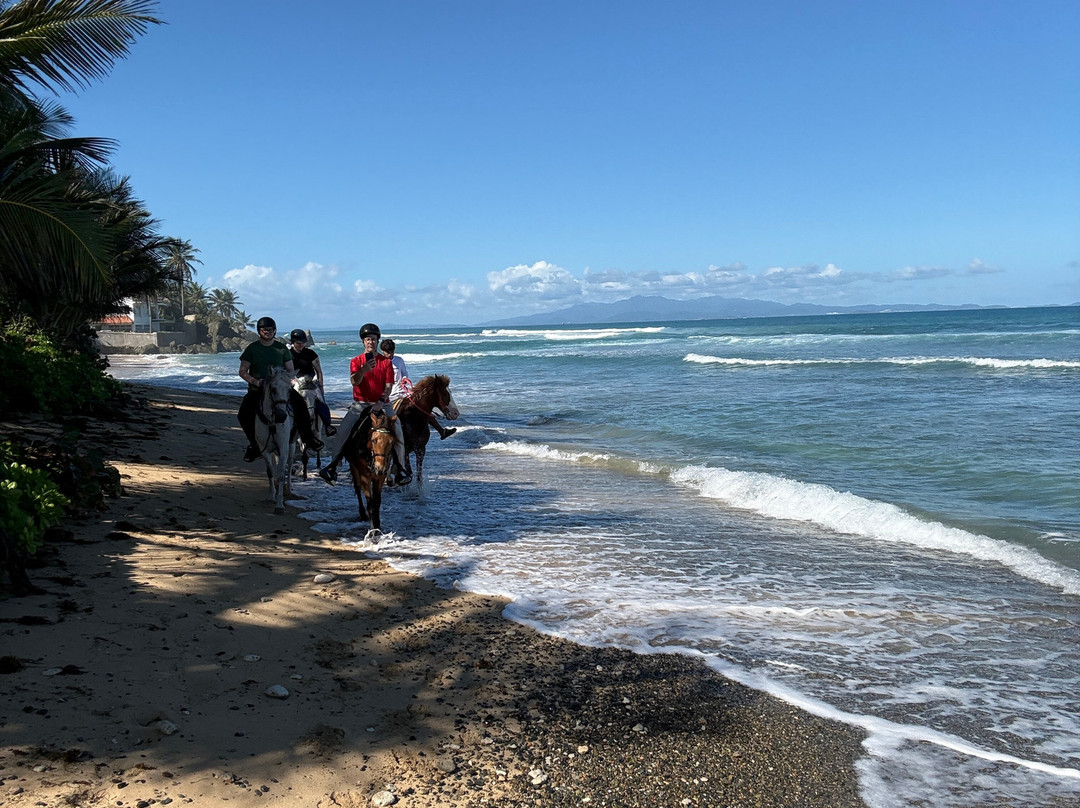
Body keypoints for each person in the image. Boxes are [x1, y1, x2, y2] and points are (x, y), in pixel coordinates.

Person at [318, 323, 410, 486]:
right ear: (363, 342)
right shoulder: (356, 361)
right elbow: (354, 382)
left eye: (374, 339)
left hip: (383, 403)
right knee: (343, 432)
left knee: (398, 431)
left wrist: (381, 401)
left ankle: (401, 469)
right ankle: (334, 467)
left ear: (377, 341)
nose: (371, 342)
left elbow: (388, 386)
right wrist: (364, 370)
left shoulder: (386, 363)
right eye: (368, 339)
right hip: (360, 403)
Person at [237, 317, 324, 462]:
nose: (267, 332)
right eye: (264, 330)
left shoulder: (281, 348)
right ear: (259, 331)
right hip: (258, 389)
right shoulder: (252, 349)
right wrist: (255, 381)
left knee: (301, 405)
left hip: (279, 389)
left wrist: (289, 381)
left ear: (274, 330)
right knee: (243, 414)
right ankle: (254, 445)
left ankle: (309, 439)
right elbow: (242, 371)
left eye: (270, 330)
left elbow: (290, 370)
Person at [381, 338, 456, 440]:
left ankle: (441, 431)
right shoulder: (379, 362)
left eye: (392, 351)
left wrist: (404, 379)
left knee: (422, 408)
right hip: (390, 395)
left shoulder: (399, 360)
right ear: (382, 351)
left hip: (402, 392)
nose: (390, 354)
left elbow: (404, 373)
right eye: (387, 352)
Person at [287, 328, 336, 436]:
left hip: (311, 381)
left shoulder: (310, 353)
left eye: (303, 342)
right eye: (298, 343)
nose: (301, 345)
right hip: (295, 380)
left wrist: (321, 386)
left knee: (320, 400)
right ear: (293, 342)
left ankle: (328, 425)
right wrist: (291, 381)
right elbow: (285, 371)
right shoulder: (288, 355)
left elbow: (319, 371)